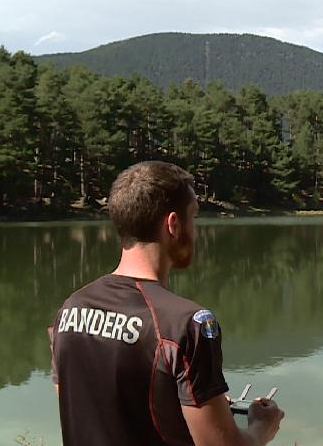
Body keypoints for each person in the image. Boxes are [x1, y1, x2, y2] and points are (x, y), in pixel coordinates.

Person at [49, 161, 284, 445]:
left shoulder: (71, 309)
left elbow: (89, 406)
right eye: (193, 217)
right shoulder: (188, 324)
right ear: (173, 224)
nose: (195, 231)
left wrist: (196, 403)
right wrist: (261, 427)